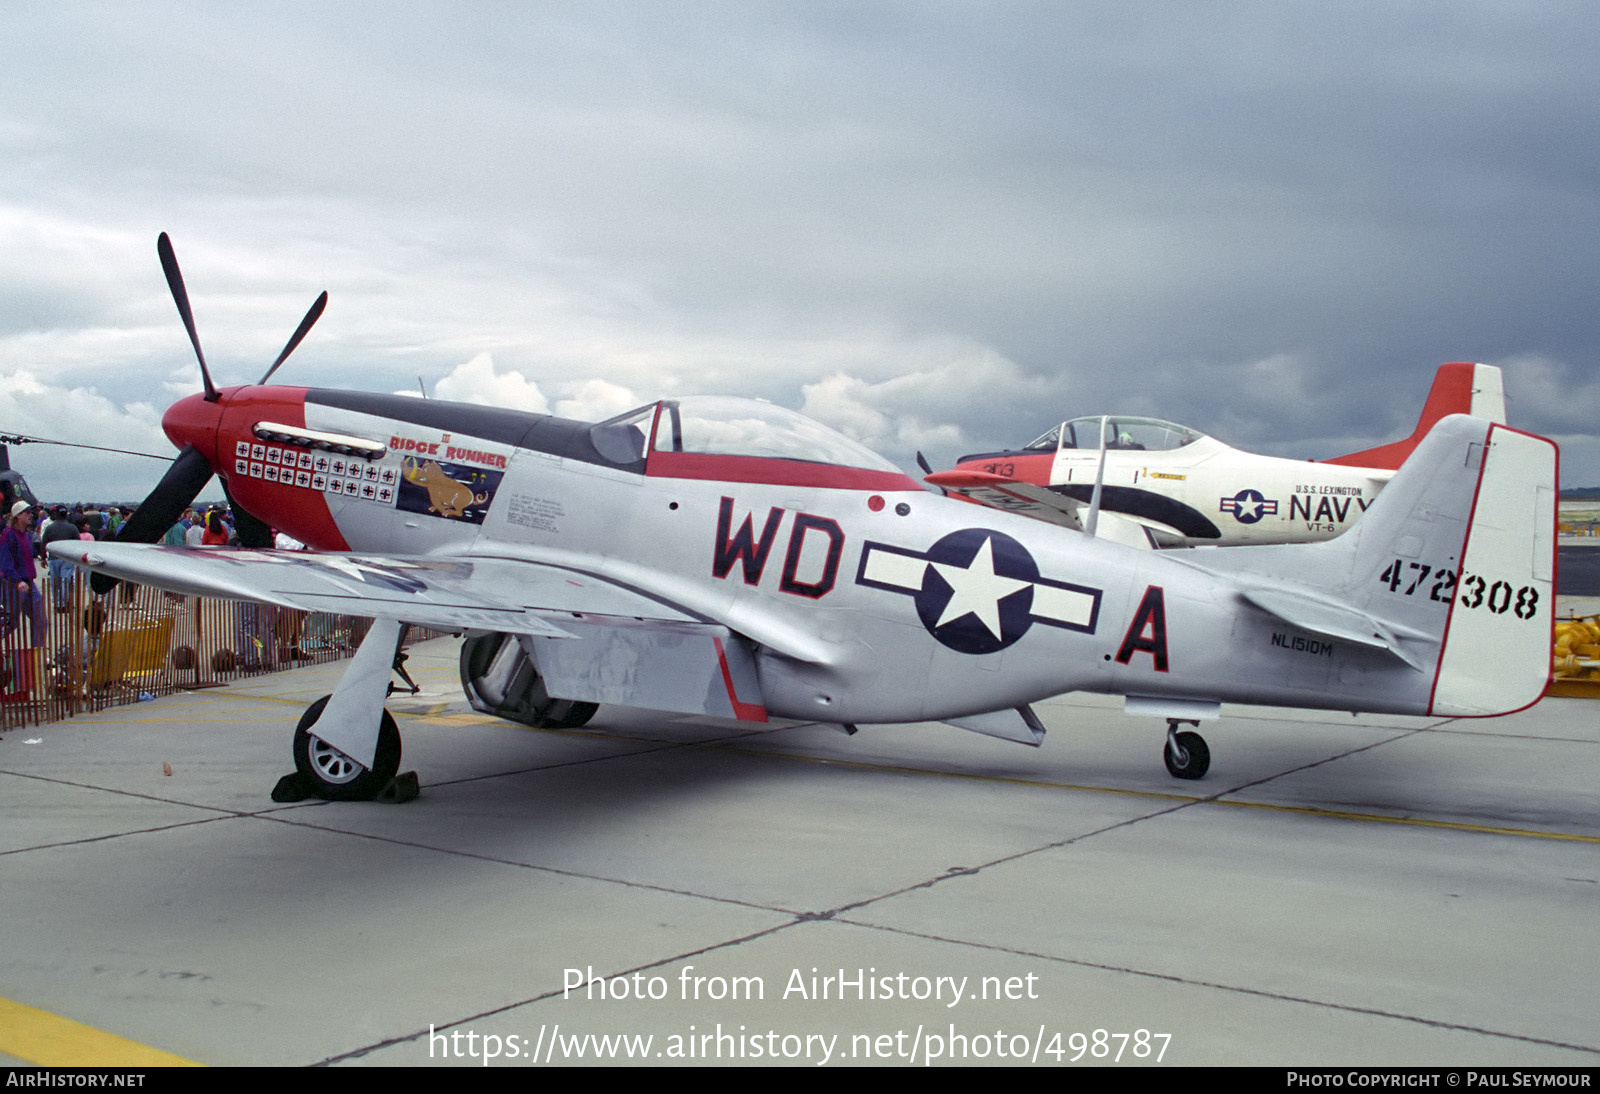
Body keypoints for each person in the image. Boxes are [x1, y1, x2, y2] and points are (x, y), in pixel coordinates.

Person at [0, 501, 45, 644]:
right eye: (27, 513)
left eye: (31, 512)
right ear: (18, 516)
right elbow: (5, 562)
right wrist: (18, 580)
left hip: (29, 582)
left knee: (40, 620)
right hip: (14, 584)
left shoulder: (26, 534)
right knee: (11, 622)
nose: (31, 515)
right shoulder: (9, 535)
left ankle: (36, 653)